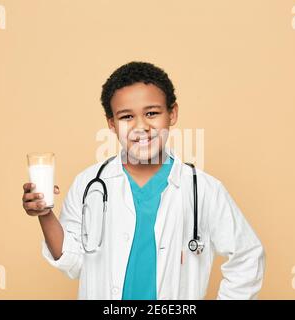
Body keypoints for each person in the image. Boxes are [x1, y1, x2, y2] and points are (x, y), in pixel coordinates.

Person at [21, 61, 265, 299]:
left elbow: (248, 256)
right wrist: (45, 213)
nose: (141, 126)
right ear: (112, 124)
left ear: (172, 114)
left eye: (151, 113)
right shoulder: (89, 184)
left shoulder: (203, 189)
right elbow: (72, 262)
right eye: (126, 117)